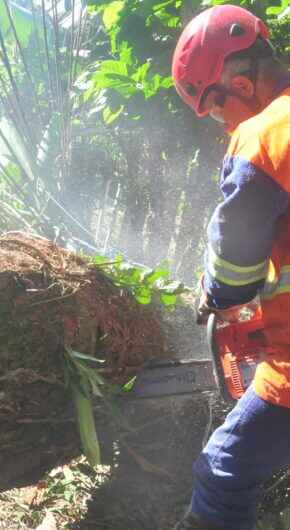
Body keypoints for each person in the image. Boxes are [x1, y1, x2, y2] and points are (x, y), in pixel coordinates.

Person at [171, 4, 290, 530]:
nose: (222, 124)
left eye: (216, 110)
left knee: (222, 471)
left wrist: (214, 296)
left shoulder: (265, 135)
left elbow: (235, 261)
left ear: (240, 87)